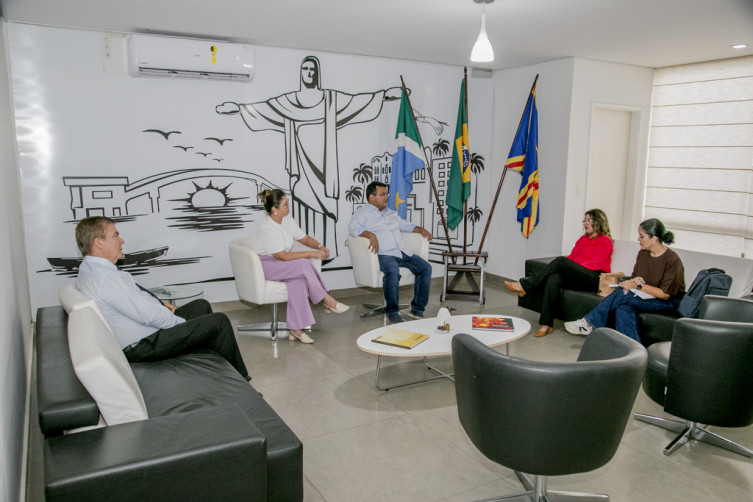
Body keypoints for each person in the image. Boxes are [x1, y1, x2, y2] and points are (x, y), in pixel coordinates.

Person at [217, 56, 402, 256]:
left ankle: (328, 250)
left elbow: (355, 103)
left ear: (318, 74)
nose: (309, 73)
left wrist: (382, 96)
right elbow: (267, 109)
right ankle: (309, 256)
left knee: (325, 206)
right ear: (301, 73)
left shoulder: (330, 99)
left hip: (324, 167)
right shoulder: (289, 102)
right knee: (303, 201)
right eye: (305, 69)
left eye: (313, 69)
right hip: (301, 164)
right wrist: (240, 109)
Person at [74, 216, 250, 380]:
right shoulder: (107, 279)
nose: (121, 241)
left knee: (200, 306)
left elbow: (135, 301)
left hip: (144, 334)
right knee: (218, 322)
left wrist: (159, 305)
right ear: (98, 242)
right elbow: (147, 315)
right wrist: (179, 323)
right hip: (142, 345)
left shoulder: (90, 269)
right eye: (115, 236)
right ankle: (242, 383)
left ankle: (213, 371)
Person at [565, 218, 685, 343]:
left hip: (667, 302)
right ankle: (633, 349)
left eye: (641, 236)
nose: (638, 239)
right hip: (645, 296)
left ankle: (589, 322)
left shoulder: (672, 260)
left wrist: (638, 286)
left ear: (654, 239)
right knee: (623, 308)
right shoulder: (643, 253)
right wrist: (633, 281)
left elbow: (664, 294)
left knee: (622, 295)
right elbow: (635, 277)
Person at [253, 189, 349, 344]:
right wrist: (311, 254)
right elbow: (282, 256)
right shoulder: (267, 228)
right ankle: (326, 299)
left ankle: (295, 329)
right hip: (266, 266)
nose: (289, 207)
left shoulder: (287, 220)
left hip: (282, 264)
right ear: (274, 209)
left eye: (288, 203)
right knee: (303, 263)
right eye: (285, 204)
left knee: (298, 282)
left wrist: (320, 246)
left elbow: (304, 238)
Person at [505, 209, 614, 338]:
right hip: (580, 274)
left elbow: (595, 264)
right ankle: (546, 324)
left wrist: (571, 267)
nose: (585, 223)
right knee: (554, 278)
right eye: (584, 220)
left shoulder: (605, 240)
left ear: (599, 222)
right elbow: (572, 257)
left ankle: (525, 285)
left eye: (589, 220)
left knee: (561, 261)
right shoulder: (583, 239)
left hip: (595, 277)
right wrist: (569, 267)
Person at [349, 181, 433, 324]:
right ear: (371, 197)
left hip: (401, 251)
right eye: (382, 194)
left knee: (425, 268)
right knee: (393, 271)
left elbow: (404, 225)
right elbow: (353, 228)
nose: (386, 197)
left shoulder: (391, 213)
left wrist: (419, 229)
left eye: (386, 194)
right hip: (383, 254)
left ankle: (417, 310)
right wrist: (370, 235)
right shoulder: (362, 213)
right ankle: (392, 312)